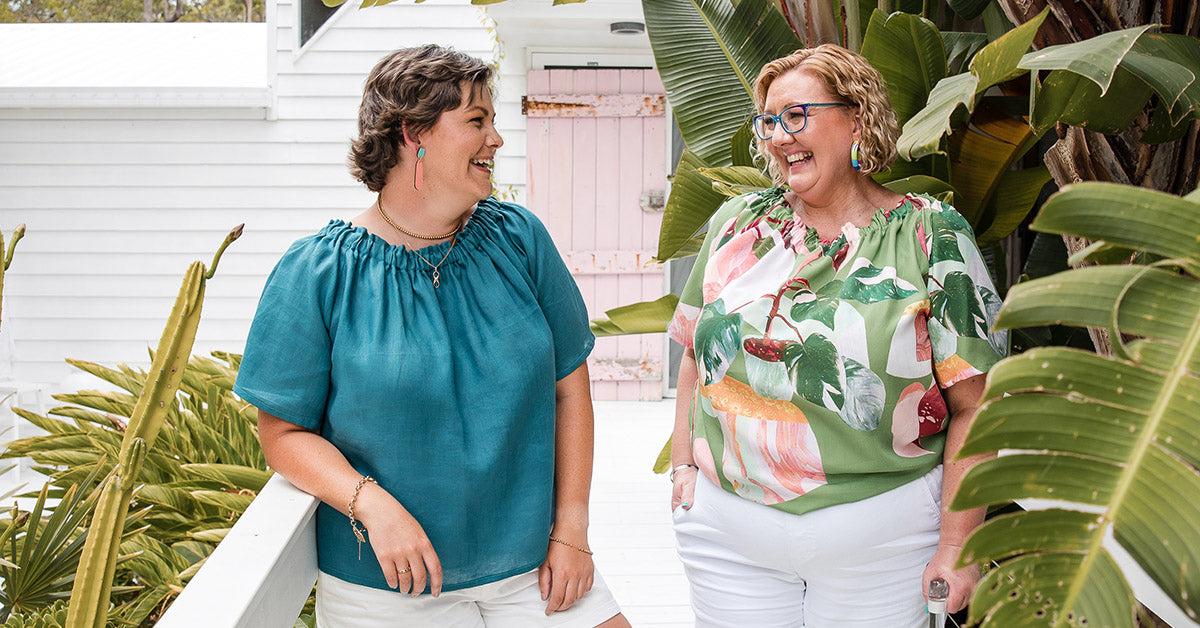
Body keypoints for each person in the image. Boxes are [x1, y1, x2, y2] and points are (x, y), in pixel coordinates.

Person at [234, 44, 630, 628]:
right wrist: (371, 504)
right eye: (477, 121)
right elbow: (283, 433)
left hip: (536, 570)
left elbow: (570, 388)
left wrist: (572, 528)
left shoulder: (519, 240)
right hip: (389, 587)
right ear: (413, 133)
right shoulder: (319, 272)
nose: (496, 139)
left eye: (493, 121)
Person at [666, 44, 1007, 627]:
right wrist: (683, 470)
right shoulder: (739, 224)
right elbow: (697, 356)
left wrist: (956, 548)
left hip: (884, 545)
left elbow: (977, 406)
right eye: (768, 121)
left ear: (857, 117)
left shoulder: (931, 236)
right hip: (729, 540)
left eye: (795, 115)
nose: (777, 136)